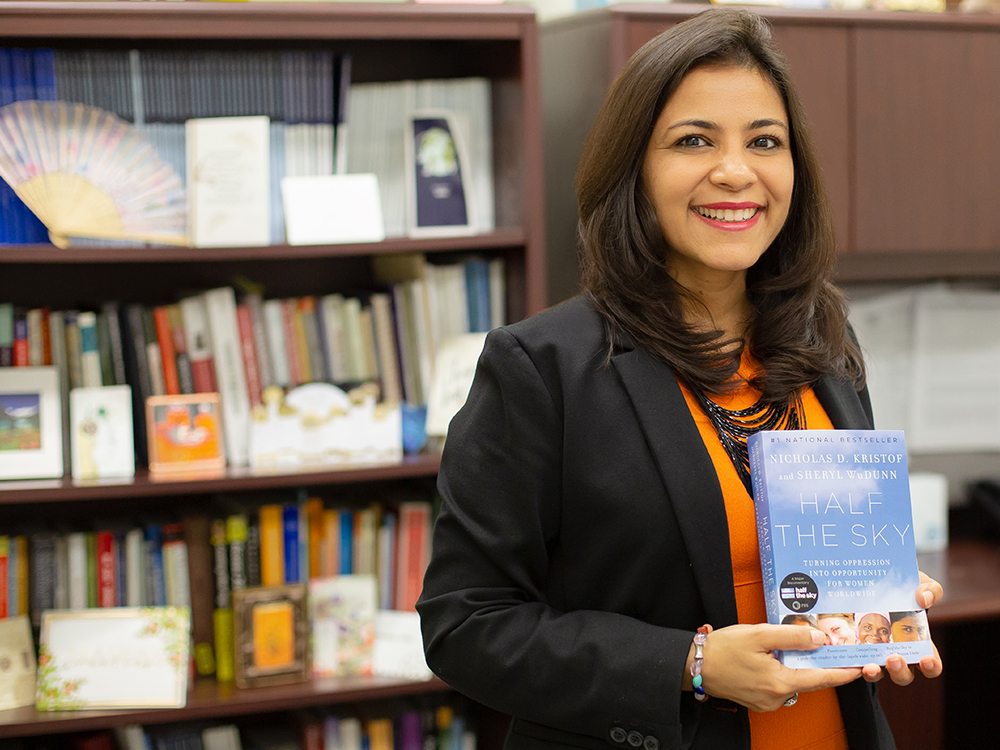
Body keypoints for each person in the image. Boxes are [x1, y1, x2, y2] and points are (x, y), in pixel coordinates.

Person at [417, 8, 943, 750]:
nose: (736, 170)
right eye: (694, 140)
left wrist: (885, 590)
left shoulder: (824, 341)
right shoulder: (542, 368)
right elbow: (464, 623)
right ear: (634, 170)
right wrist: (688, 664)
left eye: (765, 141)